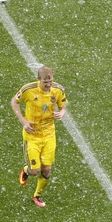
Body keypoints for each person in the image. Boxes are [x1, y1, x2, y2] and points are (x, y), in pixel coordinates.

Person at [11, 66, 67, 208]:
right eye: (45, 82)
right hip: (32, 136)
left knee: (47, 169)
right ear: (38, 79)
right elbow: (14, 102)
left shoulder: (58, 90)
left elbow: (63, 106)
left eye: (50, 82)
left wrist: (61, 113)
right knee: (35, 171)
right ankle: (26, 170)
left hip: (49, 135)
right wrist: (24, 121)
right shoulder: (28, 90)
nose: (48, 85)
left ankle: (37, 195)